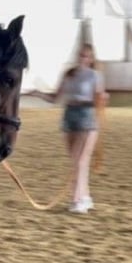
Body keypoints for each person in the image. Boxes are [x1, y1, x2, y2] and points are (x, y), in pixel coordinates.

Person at [27, 43, 109, 213]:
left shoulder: (95, 76)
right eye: (80, 55)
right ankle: (85, 197)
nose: (82, 58)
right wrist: (37, 93)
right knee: (78, 161)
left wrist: (102, 98)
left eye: (86, 56)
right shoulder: (68, 74)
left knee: (79, 161)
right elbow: (55, 98)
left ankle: (76, 200)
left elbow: (97, 100)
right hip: (69, 115)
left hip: (86, 116)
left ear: (91, 59)